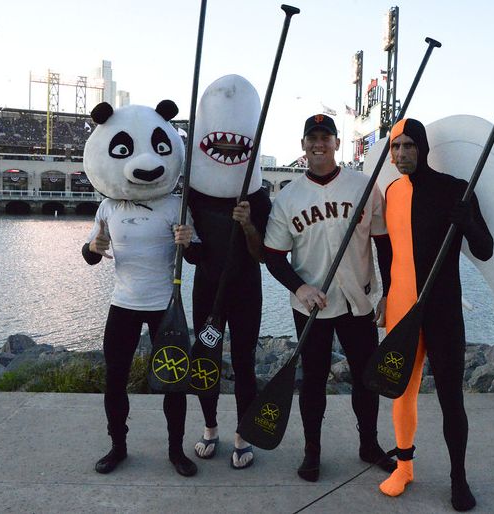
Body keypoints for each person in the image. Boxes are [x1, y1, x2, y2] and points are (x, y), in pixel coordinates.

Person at [264, 113, 396, 482]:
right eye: (312, 138)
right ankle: (312, 451)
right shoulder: (288, 197)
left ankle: (368, 444)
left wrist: (388, 293)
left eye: (326, 137)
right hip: (311, 305)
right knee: (313, 380)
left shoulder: (364, 186)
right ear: (303, 145)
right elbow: (273, 256)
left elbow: (384, 245)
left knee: (366, 379)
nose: (319, 144)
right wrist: (300, 288)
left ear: (337, 143)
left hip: (358, 300)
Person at [378, 118, 493, 511]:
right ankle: (404, 467)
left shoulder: (455, 190)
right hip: (400, 308)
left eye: (409, 146)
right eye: (396, 147)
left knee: (450, 397)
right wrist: (384, 296)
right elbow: (387, 254)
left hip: (443, 310)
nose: (402, 153)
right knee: (401, 392)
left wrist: (468, 223)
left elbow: (486, 249)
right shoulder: (390, 193)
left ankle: (458, 478)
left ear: (423, 148)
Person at [81, 100, 199, 477]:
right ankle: (118, 446)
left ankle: (176, 451)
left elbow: (196, 257)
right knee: (114, 379)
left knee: (174, 382)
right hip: (124, 304)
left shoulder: (174, 206)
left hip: (166, 307)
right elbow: (90, 254)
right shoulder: (109, 207)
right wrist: (92, 248)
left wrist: (188, 241)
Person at [184, 74, 272, 470]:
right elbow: (191, 258)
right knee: (206, 359)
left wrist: (249, 224)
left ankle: (243, 434)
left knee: (245, 362)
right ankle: (209, 428)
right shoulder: (194, 192)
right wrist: (186, 239)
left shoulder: (259, 196)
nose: (223, 148)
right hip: (207, 288)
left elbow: (262, 255)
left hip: (245, 289)